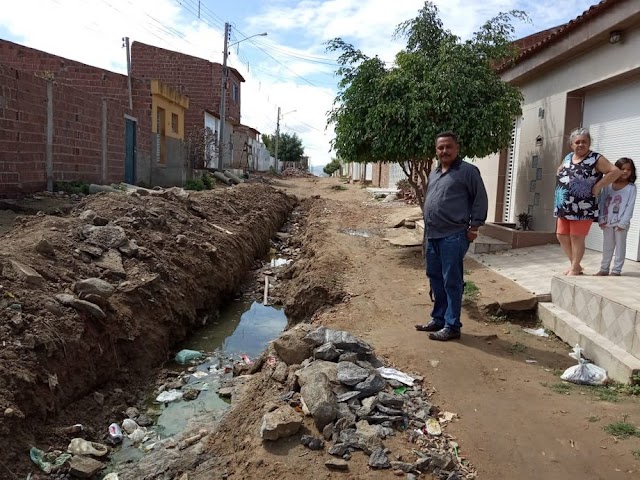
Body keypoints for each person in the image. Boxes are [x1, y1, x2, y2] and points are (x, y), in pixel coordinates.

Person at [414, 131, 488, 341]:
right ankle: (438, 318)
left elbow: (480, 199)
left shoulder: (468, 171)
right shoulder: (435, 172)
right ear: (436, 150)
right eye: (440, 148)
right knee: (435, 278)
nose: (444, 151)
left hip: (453, 235)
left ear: (457, 148)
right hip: (433, 235)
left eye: (448, 147)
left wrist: (474, 228)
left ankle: (452, 325)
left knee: (451, 281)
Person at [554, 128, 621, 275]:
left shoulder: (596, 158)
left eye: (584, 141)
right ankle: (575, 265)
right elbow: (561, 169)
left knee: (576, 236)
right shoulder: (568, 157)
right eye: (577, 142)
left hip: (582, 206)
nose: (580, 144)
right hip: (563, 204)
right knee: (561, 235)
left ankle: (574, 267)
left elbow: (615, 171)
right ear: (571, 144)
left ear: (589, 143)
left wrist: (598, 186)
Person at [595, 157, 637, 276]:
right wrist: (601, 218)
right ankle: (604, 269)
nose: (625, 171)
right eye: (622, 169)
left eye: (628, 169)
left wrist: (623, 223)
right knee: (607, 246)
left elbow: (630, 206)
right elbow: (602, 202)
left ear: (632, 171)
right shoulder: (608, 185)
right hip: (607, 221)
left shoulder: (631, 188)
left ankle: (616, 270)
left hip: (621, 223)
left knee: (620, 246)